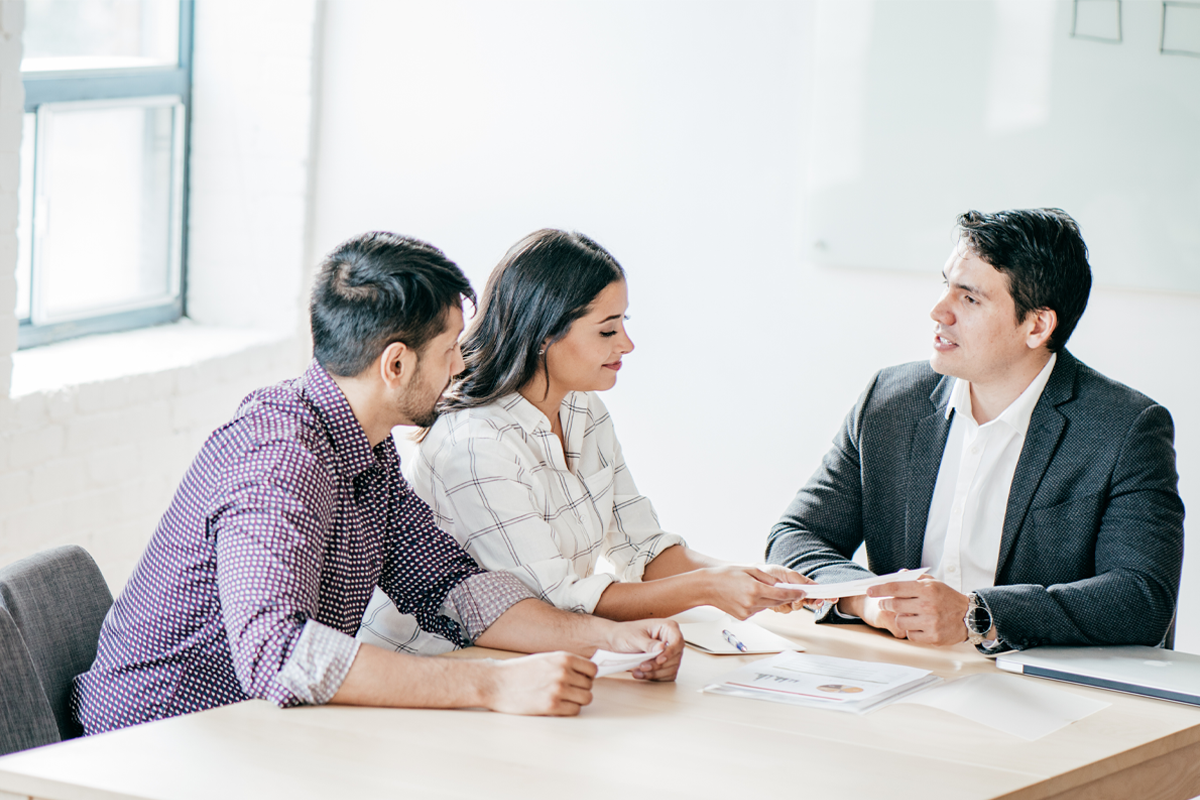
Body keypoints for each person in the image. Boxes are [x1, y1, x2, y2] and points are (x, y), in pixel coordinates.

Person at [73, 232, 684, 735]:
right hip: (161, 743)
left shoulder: (364, 450)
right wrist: (492, 684)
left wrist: (611, 639)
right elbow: (278, 654)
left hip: (259, 732)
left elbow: (453, 587)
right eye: (450, 348)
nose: (464, 364)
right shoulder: (279, 462)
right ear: (396, 364)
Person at [360, 229, 812, 654]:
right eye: (607, 330)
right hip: (441, 660)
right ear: (544, 335)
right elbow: (554, 602)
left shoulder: (583, 409)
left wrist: (745, 578)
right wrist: (710, 589)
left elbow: (641, 547)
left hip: (540, 652)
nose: (628, 344)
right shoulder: (474, 445)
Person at [766, 208, 1184, 652]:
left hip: (1044, 693)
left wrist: (977, 615)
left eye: (969, 299)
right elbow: (796, 536)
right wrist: (867, 600)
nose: (938, 311)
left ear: (1036, 325)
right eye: (945, 285)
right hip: (899, 673)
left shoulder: (1124, 428)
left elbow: (1142, 597)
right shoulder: (890, 400)